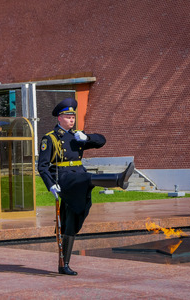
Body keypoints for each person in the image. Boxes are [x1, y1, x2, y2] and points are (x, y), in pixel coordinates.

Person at [38, 97, 134, 276]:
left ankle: (64, 264)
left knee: (73, 221)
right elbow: (42, 166)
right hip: (64, 178)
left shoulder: (77, 136)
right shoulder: (50, 139)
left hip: (79, 178)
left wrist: (87, 137)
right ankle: (118, 180)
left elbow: (102, 141)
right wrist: (50, 185)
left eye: (73, 117)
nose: (71, 120)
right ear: (59, 118)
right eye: (67, 117)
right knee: (89, 178)